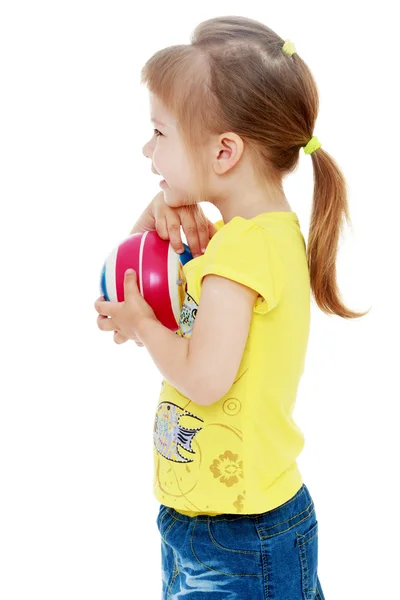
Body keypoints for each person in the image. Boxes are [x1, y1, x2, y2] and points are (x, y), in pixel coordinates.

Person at [95, 15, 370, 599]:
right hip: (208, 521)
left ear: (224, 151)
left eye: (160, 134)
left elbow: (203, 377)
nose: (147, 149)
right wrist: (157, 210)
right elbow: (136, 272)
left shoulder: (240, 256)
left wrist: (141, 322)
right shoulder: (245, 241)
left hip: (241, 538)